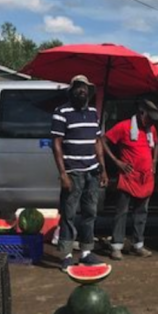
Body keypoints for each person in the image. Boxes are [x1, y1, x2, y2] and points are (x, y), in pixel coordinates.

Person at [51, 75, 109, 270]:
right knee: (68, 213)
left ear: (88, 92)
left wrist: (103, 169)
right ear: (72, 90)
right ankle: (66, 255)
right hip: (72, 172)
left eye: (84, 88)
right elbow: (56, 144)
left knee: (90, 212)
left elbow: (97, 142)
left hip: (92, 171)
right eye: (77, 87)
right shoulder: (61, 112)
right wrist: (63, 174)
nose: (81, 91)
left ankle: (86, 253)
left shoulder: (93, 113)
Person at [102, 99, 158, 260]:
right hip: (128, 177)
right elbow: (103, 140)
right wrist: (116, 162)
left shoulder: (151, 129)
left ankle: (138, 245)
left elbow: (156, 144)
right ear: (142, 113)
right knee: (122, 212)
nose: (151, 122)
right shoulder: (123, 126)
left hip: (146, 178)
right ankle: (116, 246)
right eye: (149, 118)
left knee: (141, 212)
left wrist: (154, 161)